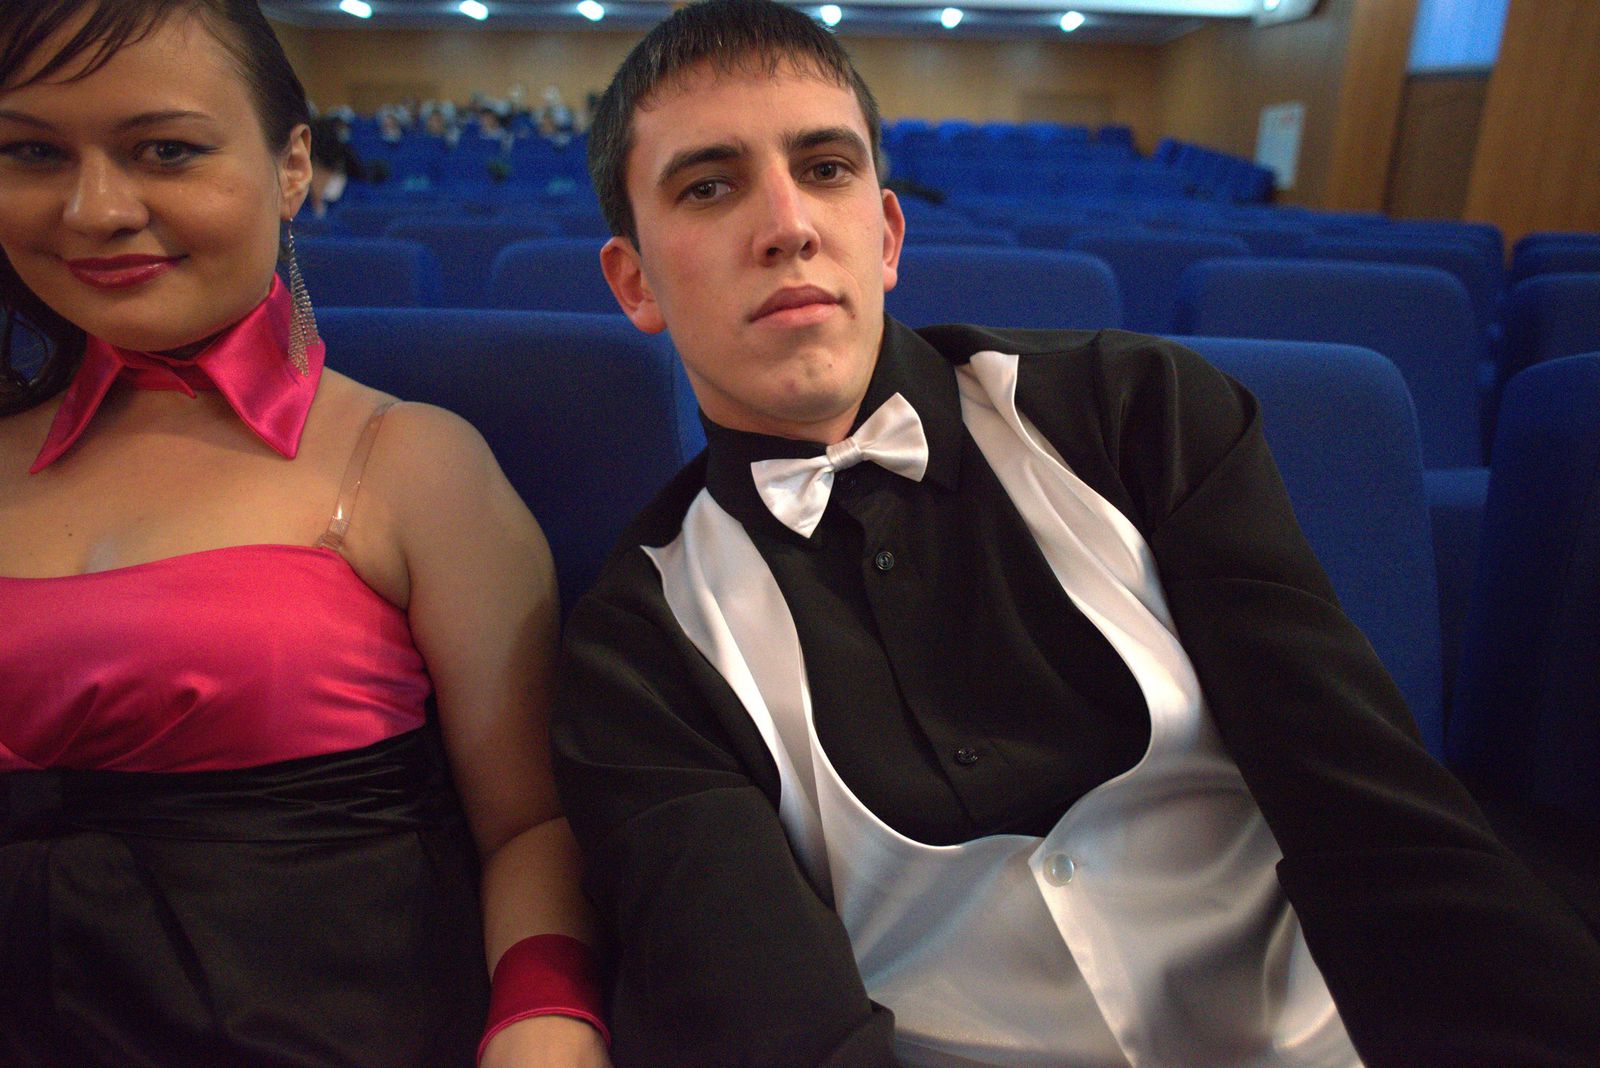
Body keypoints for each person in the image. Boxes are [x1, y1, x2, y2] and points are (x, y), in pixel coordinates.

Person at [550, 1, 1600, 1065]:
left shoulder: (1137, 412)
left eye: (825, 168)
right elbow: (777, 1026)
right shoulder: (638, 641)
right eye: (709, 186)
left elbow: (1373, 815)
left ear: (887, 235)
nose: (788, 224)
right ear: (635, 282)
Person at [0, 2, 608, 1066]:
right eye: (33, 153)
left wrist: (542, 1027)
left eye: (165, 150)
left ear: (292, 167)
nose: (94, 209)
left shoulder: (411, 462)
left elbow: (530, 825)